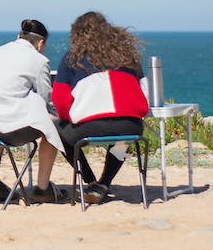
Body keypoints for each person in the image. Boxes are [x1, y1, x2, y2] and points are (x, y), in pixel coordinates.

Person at [0, 19, 67, 204]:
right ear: (41, 43)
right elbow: (47, 100)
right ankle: (43, 188)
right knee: (53, 124)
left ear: (19, 36)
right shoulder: (39, 60)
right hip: (4, 131)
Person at [52, 11, 150, 205]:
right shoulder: (128, 57)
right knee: (122, 140)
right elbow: (145, 94)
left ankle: (89, 181)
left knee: (56, 131)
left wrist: (71, 118)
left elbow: (61, 103)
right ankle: (103, 184)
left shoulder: (72, 58)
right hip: (130, 127)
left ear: (78, 34)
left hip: (89, 128)